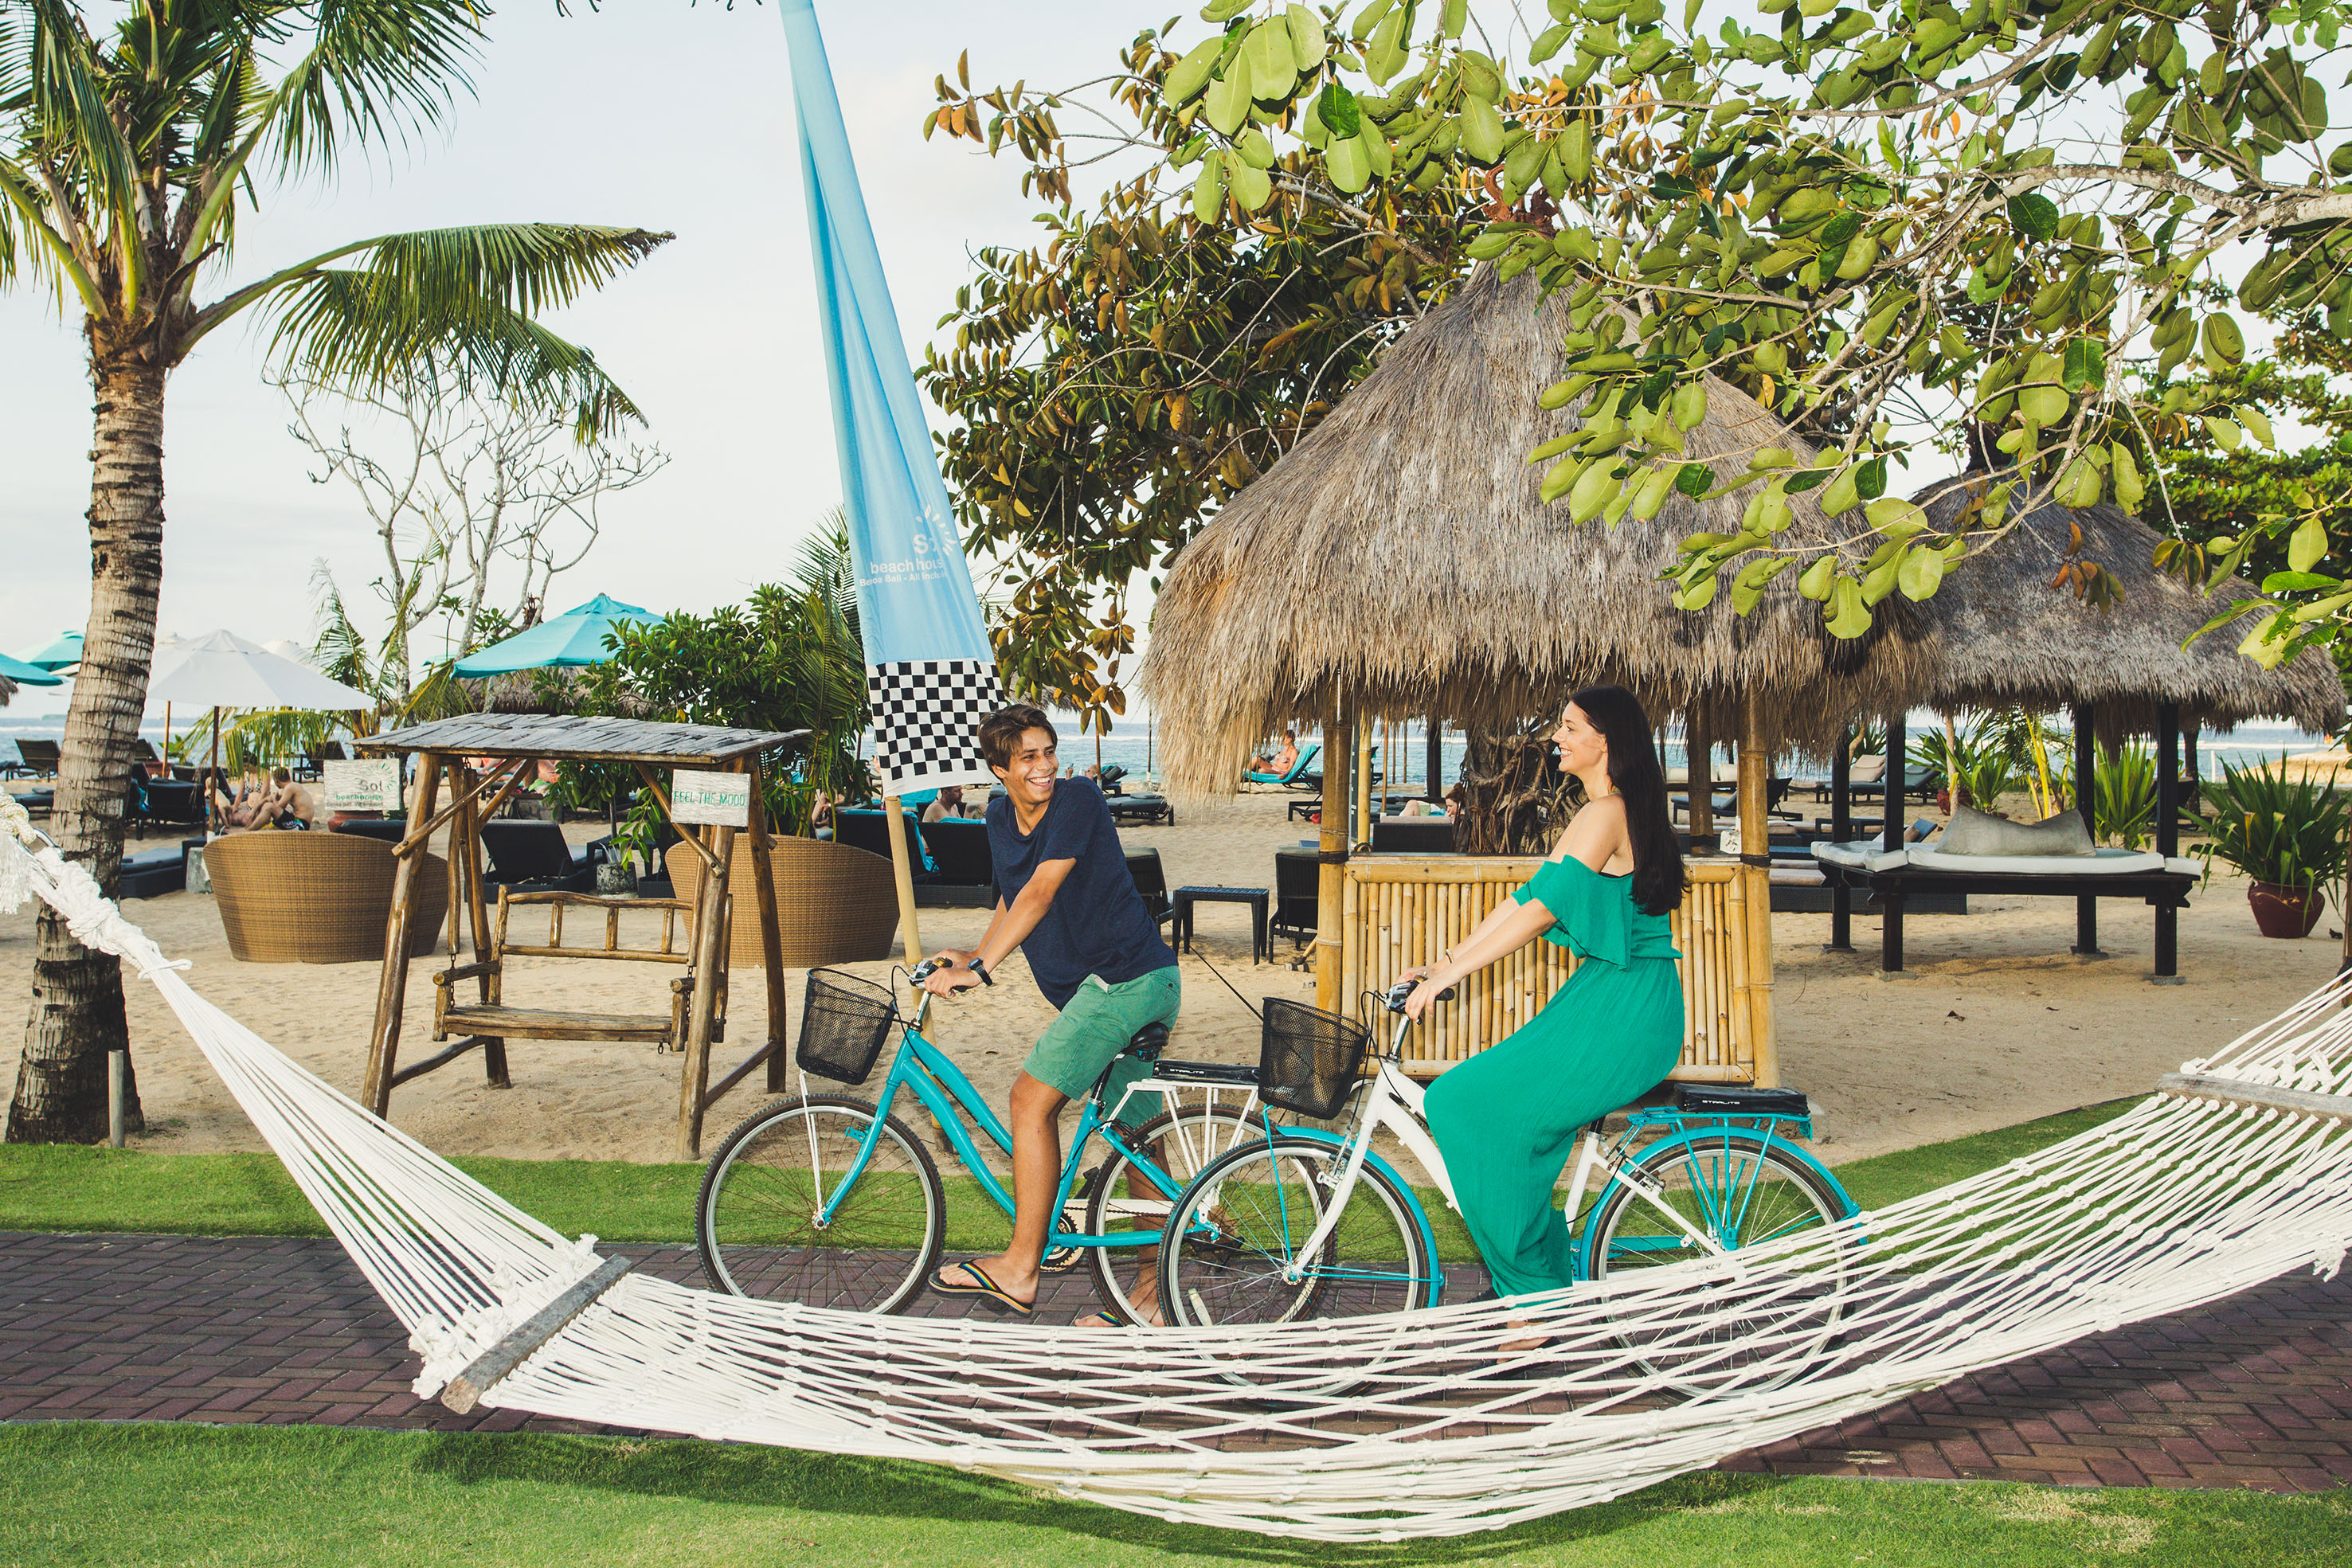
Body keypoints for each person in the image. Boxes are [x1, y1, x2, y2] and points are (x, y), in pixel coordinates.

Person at [1399, 686, 1686, 1354]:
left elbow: (1539, 914)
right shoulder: (1610, 811)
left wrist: (1451, 976)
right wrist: (1442, 962)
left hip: (1620, 1008)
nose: (1555, 737)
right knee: (1484, 1109)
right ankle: (1543, 1288)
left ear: (1604, 741)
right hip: (1617, 998)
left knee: (1461, 1102)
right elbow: (1526, 897)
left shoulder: (1605, 813)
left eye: (1568, 727)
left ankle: (1531, 1299)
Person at [919, 703, 1180, 1325]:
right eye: (1027, 758)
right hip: (1111, 988)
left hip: (1124, 983)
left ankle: (1021, 1267)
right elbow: (1013, 890)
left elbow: (1042, 889)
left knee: (1028, 1101)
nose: (1043, 766)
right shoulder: (995, 814)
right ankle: (1152, 1299)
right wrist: (976, 952)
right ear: (997, 770)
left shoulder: (1079, 800)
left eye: (1046, 752)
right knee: (1135, 1143)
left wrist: (981, 971)